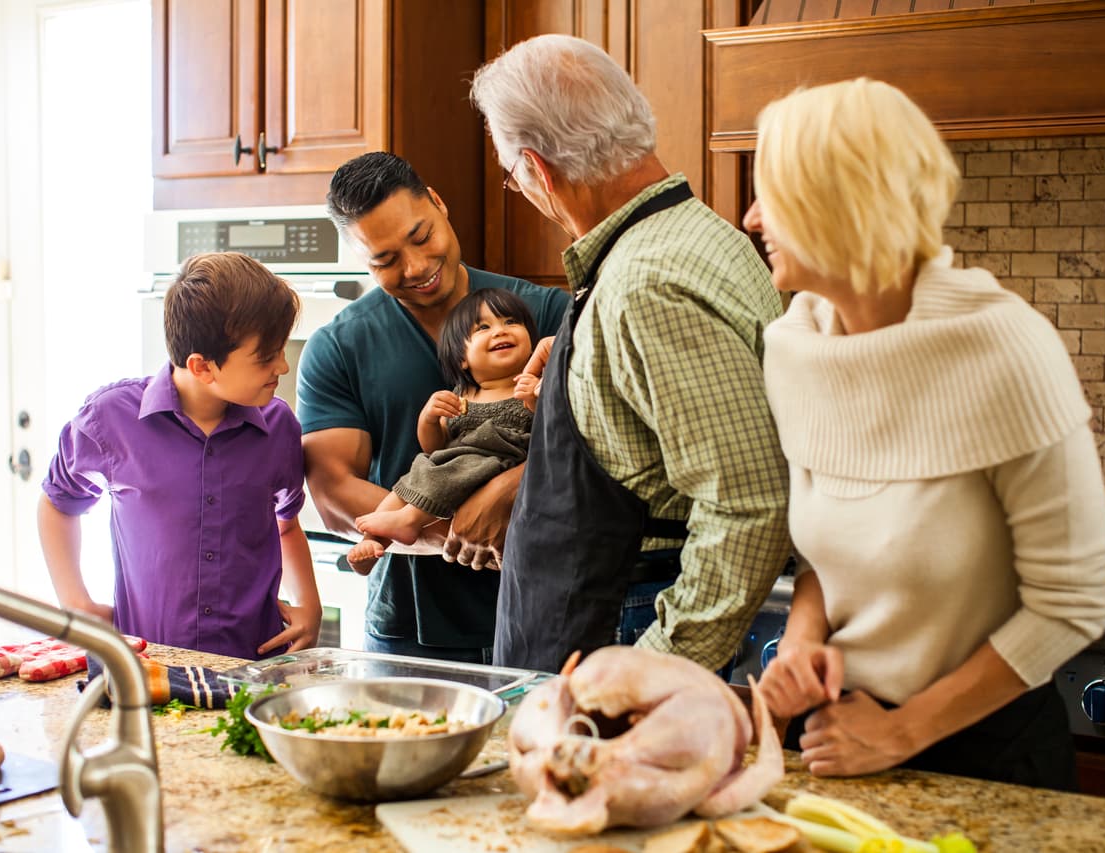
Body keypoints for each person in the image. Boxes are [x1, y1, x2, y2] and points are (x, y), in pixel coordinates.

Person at [745, 78, 1105, 790]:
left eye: (773, 195)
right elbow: (826, 554)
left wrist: (901, 730)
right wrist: (801, 641)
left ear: (838, 204)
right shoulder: (793, 346)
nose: (754, 216)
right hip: (840, 736)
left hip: (990, 755)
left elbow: (1070, 605)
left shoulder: (1007, 346)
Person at [470, 35, 792, 675]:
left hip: (623, 630)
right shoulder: (694, 239)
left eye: (514, 178)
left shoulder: (646, 283)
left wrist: (653, 672)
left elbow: (750, 503)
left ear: (539, 169)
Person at [297, 152, 569, 664]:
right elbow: (333, 494)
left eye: (421, 238)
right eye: (385, 260)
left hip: (548, 612)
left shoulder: (549, 313)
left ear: (439, 205)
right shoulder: (338, 347)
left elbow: (605, 444)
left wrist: (509, 492)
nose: (416, 267)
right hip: (409, 633)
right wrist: (457, 529)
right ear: (360, 258)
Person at [39, 252, 322, 661]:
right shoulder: (109, 418)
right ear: (202, 367)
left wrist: (309, 603)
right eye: (266, 356)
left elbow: (286, 525)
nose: (281, 364)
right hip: (146, 668)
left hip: (252, 667)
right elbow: (57, 503)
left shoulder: (279, 426)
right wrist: (75, 602)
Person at [347, 288, 540, 572]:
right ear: (462, 357)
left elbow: (553, 433)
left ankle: (409, 521)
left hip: (499, 465)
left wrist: (536, 400)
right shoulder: (463, 395)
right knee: (417, 472)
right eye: (483, 327)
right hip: (454, 467)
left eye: (511, 322)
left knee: (454, 466)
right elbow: (436, 448)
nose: (500, 331)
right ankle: (374, 539)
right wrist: (428, 418)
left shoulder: (534, 384)